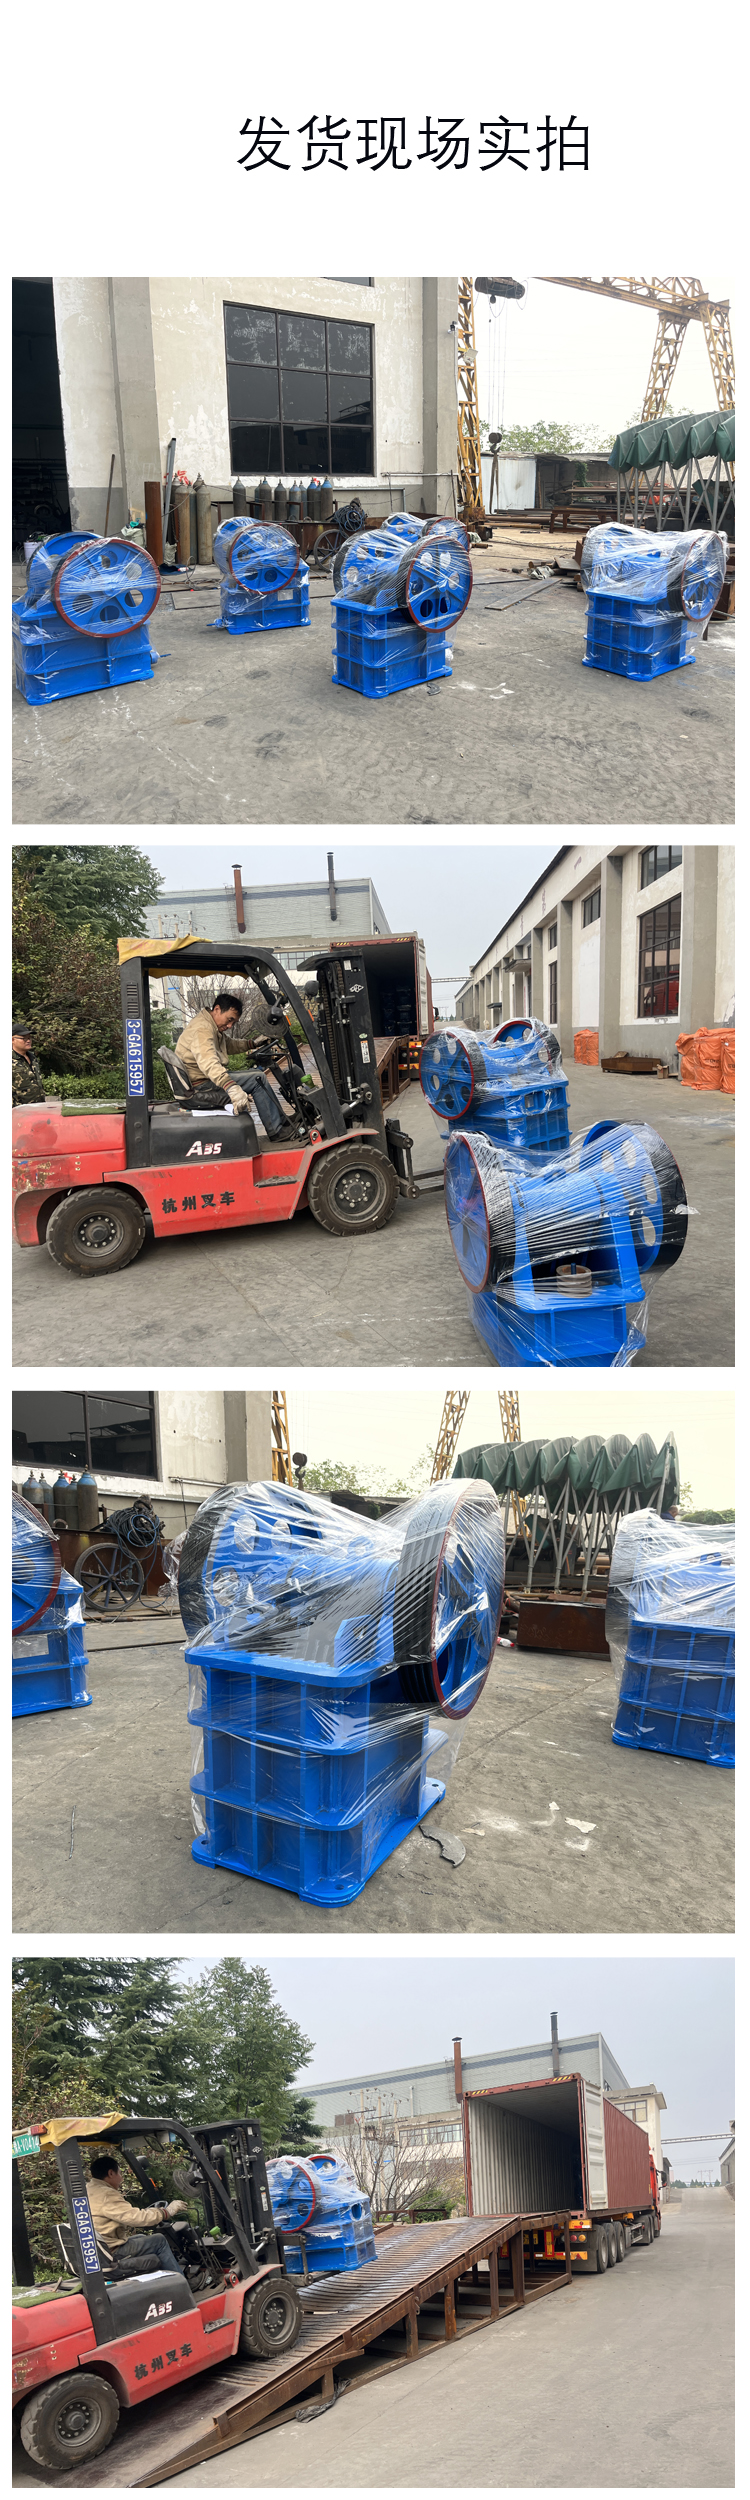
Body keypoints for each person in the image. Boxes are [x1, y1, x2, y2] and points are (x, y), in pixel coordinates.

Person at [174, 994, 298, 1140]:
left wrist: (253, 1043)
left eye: (233, 1022)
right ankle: (276, 1131)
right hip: (202, 1086)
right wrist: (230, 1087)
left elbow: (229, 1044)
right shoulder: (203, 1029)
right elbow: (209, 1063)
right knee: (257, 1079)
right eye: (230, 1020)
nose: (230, 1026)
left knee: (255, 1075)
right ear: (217, 1009)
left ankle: (282, 1121)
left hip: (203, 1081)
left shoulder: (211, 1025)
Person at [87, 2151, 188, 2276]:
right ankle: (181, 2280)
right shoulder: (106, 2194)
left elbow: (127, 2214)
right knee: (159, 2240)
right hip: (111, 2251)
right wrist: (166, 2212)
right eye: (120, 2173)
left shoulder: (89, 2189)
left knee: (140, 2237)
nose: (121, 2178)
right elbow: (135, 2218)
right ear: (111, 2173)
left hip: (100, 2249)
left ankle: (160, 2277)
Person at [12, 1023, 45, 1106]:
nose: (28, 1041)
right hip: (18, 1110)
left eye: (29, 1038)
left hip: (38, 1107)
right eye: (24, 1038)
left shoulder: (33, 1058)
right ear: (12, 1040)